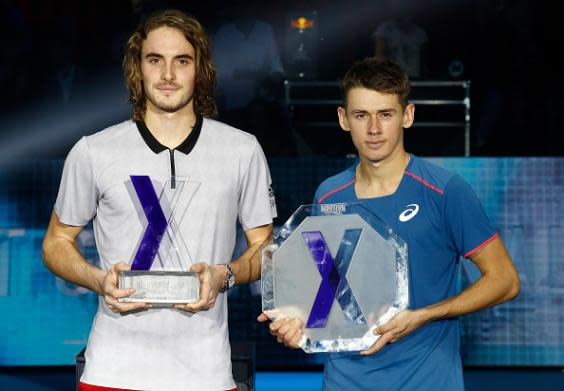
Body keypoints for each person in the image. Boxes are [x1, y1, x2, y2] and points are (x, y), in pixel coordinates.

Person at [42, 9, 276, 391]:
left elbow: (265, 248)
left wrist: (224, 275)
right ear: (138, 68)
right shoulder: (93, 151)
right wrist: (100, 280)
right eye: (155, 60)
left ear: (200, 69)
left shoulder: (241, 150)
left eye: (181, 61)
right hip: (111, 370)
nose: (168, 75)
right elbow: (55, 243)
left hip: (207, 374)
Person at [258, 58, 520, 390]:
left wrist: (425, 314)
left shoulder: (445, 191)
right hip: (344, 382)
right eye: (361, 115)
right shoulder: (328, 193)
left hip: (426, 381)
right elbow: (330, 290)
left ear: (407, 116)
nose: (374, 129)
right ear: (343, 119)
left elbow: (505, 280)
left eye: (385, 114)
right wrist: (300, 326)